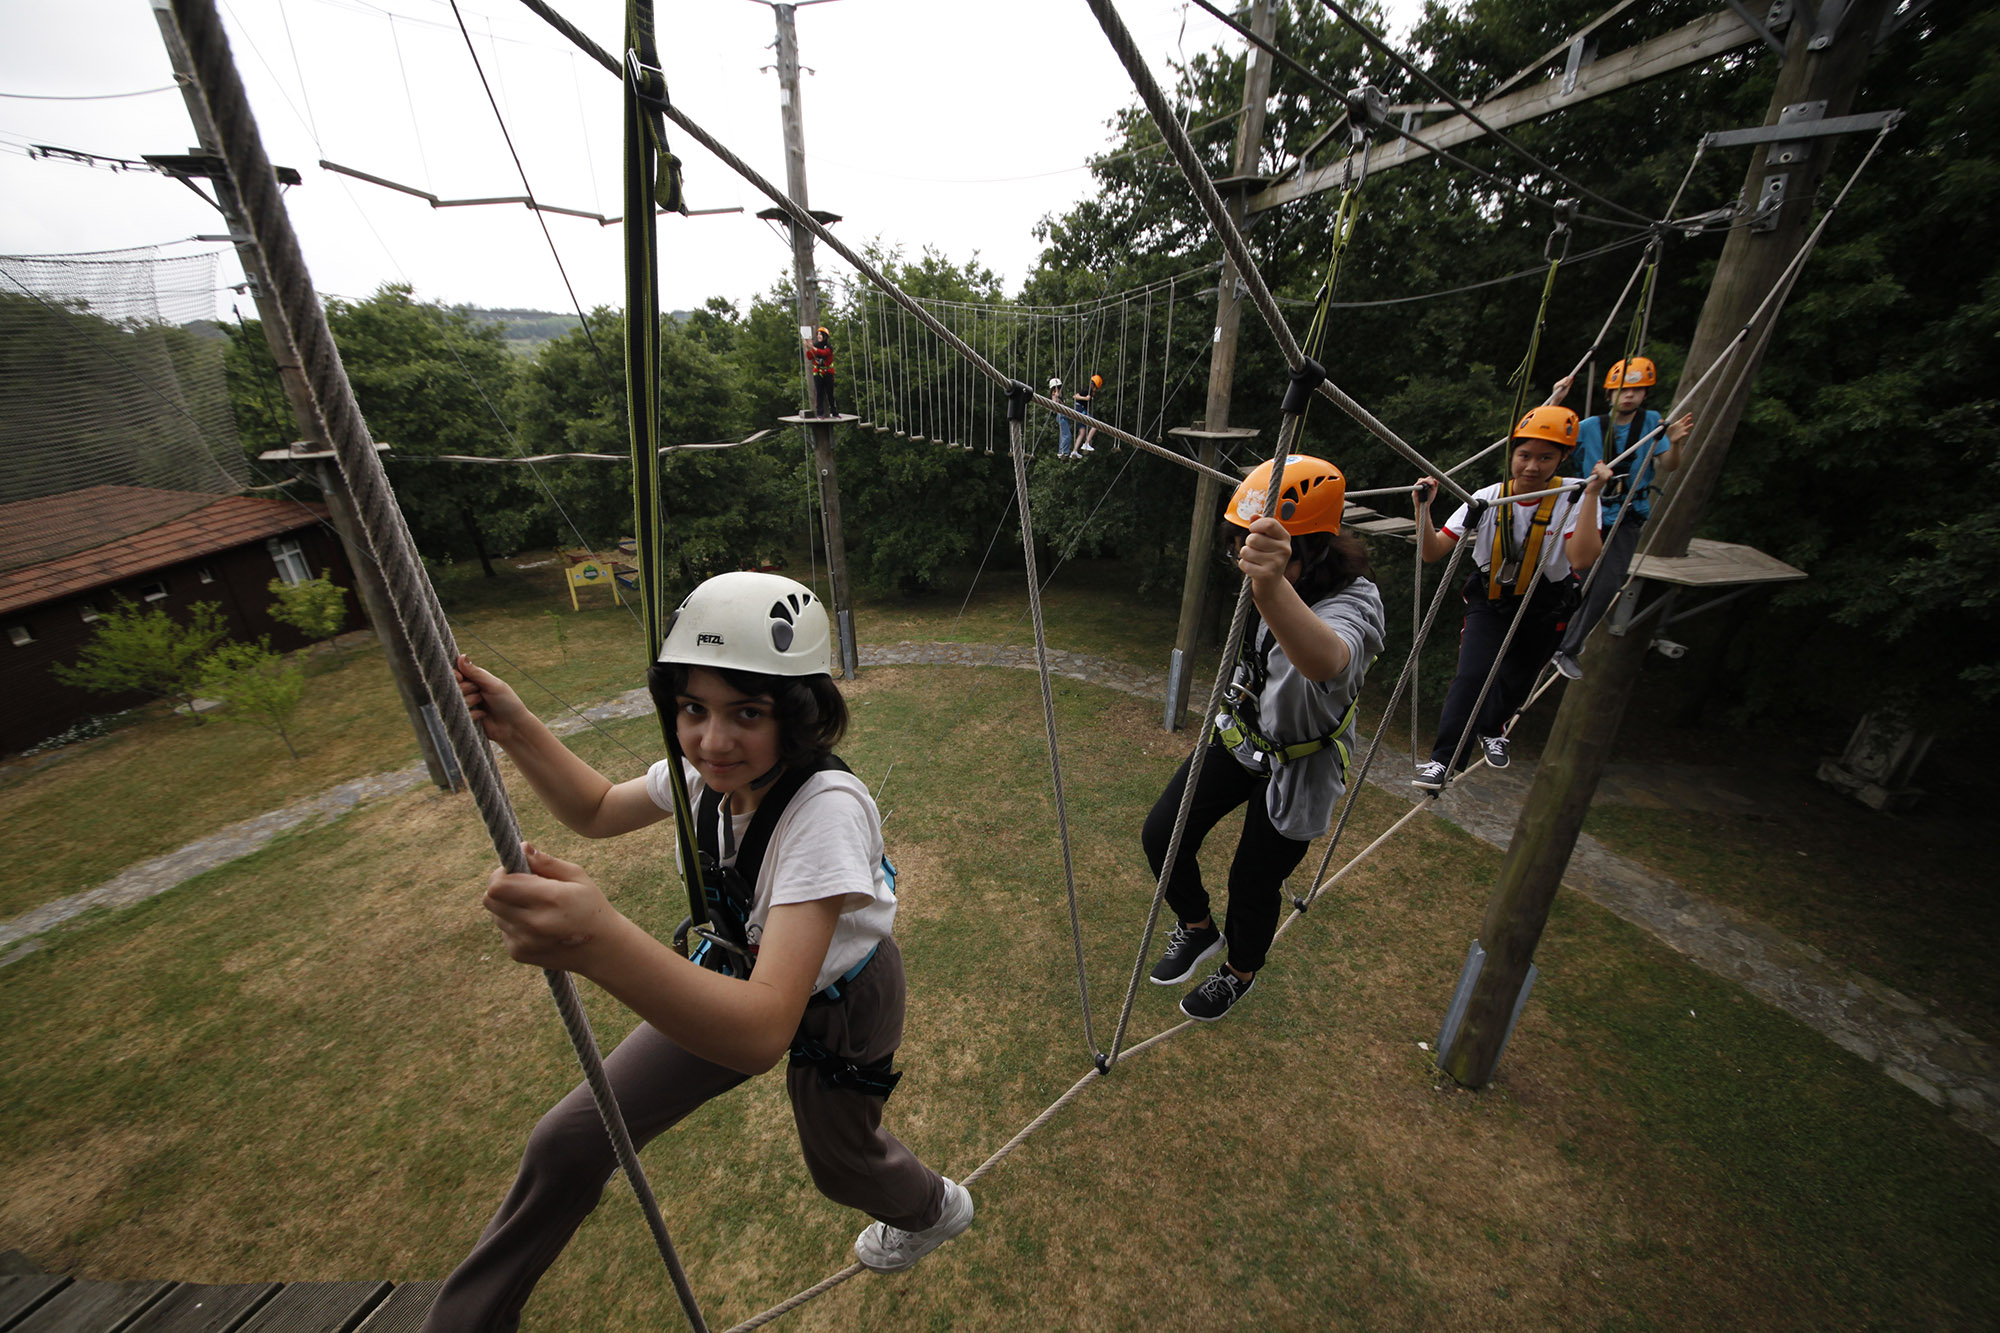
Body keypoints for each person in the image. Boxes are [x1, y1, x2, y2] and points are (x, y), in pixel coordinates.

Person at [423, 572, 972, 1333]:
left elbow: (759, 1035)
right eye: (693, 709)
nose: (713, 740)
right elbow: (592, 809)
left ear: (799, 713)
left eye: (747, 712)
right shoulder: (702, 775)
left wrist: (596, 937)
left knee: (841, 1163)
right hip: (739, 980)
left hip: (842, 998)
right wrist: (515, 726)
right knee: (570, 1140)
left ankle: (935, 1207)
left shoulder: (826, 814)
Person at [1142, 455, 1384, 1021]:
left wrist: (1272, 586)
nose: (1245, 561)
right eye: (1239, 548)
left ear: (1315, 548)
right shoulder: (1264, 582)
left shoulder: (1356, 599)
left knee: (1253, 878)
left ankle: (1239, 971)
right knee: (1162, 834)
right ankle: (1199, 928)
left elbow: (1326, 659)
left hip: (1302, 764)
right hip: (1243, 737)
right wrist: (1267, 580)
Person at [1410, 406, 1612, 790]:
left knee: (1519, 678)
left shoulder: (1575, 497)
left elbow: (1583, 559)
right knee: (1472, 676)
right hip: (1492, 601)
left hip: (1545, 603)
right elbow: (1432, 551)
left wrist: (1592, 496)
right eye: (1524, 455)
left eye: (1545, 457)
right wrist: (1424, 510)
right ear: (1512, 455)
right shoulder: (1487, 499)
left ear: (1563, 458)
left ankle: (1493, 727)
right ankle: (1443, 761)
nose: (1532, 466)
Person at [1547, 357, 1694, 678]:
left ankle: (1567, 647)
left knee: (1607, 586)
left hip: (1627, 516)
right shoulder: (1587, 428)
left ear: (1644, 395)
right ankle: (1554, 639)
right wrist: (1556, 400)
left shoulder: (1653, 424)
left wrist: (1676, 443)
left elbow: (1669, 465)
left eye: (1637, 390)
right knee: (1576, 583)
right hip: (1592, 513)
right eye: (1623, 390)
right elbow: (1548, 439)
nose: (1629, 396)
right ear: (1610, 394)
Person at [805, 326, 837, 418]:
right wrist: (808, 348)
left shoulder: (829, 347)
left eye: (820, 334)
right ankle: (820, 413)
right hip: (818, 372)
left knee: (830, 393)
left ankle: (835, 412)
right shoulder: (815, 346)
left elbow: (824, 353)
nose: (818, 336)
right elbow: (810, 357)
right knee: (820, 393)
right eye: (818, 334)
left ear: (825, 336)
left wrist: (813, 348)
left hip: (828, 372)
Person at [1072, 373, 1101, 454]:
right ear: (1093, 385)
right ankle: (1086, 443)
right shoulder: (1087, 390)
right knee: (1095, 425)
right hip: (1080, 409)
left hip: (1080, 410)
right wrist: (1085, 398)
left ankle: (1074, 451)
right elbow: (1075, 396)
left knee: (1082, 432)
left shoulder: (1090, 392)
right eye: (1095, 387)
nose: (1095, 389)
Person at [1049, 376, 1074, 458]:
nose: (1059, 390)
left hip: (1063, 416)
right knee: (1066, 435)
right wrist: (1056, 397)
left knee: (1064, 434)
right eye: (1057, 388)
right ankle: (1063, 451)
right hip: (1061, 416)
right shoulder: (1054, 396)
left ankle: (1062, 451)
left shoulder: (1058, 396)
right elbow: (1053, 405)